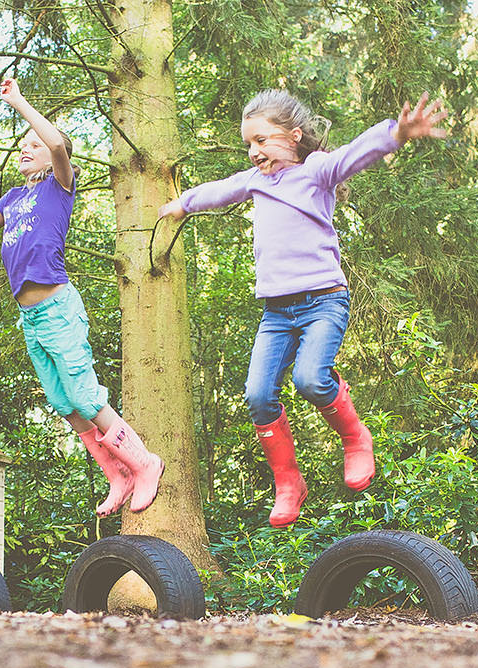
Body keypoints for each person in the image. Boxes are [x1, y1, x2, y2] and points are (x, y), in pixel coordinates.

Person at [159, 90, 448, 527]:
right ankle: (289, 482)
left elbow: (355, 154)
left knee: (311, 380)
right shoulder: (256, 181)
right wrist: (184, 203)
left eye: (262, 140)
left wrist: (398, 133)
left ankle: (355, 437)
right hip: (276, 313)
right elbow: (221, 190)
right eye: (248, 145)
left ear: (294, 136)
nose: (255, 152)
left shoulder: (316, 172)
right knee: (258, 396)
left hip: (323, 301)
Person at [0, 78, 164, 518]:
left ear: (51, 153)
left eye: (35, 144)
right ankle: (117, 474)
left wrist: (19, 103)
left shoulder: (59, 188)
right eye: (22, 145)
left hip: (58, 308)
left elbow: (59, 148)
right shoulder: (12, 198)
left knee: (85, 396)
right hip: (30, 318)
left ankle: (144, 464)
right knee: (65, 404)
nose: (26, 149)